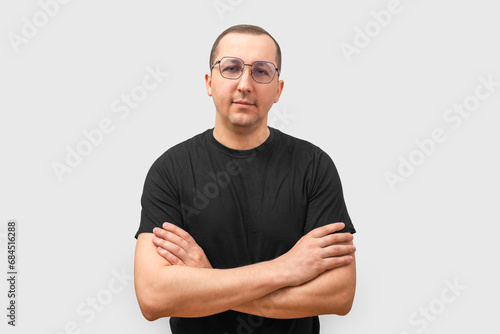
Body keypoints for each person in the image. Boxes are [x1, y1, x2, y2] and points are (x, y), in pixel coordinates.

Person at [134, 24, 357, 334]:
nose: (244, 84)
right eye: (231, 68)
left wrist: (207, 280)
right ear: (209, 82)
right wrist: (287, 268)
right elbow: (153, 297)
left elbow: (339, 294)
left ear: (278, 89)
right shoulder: (170, 170)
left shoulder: (314, 167)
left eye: (261, 71)